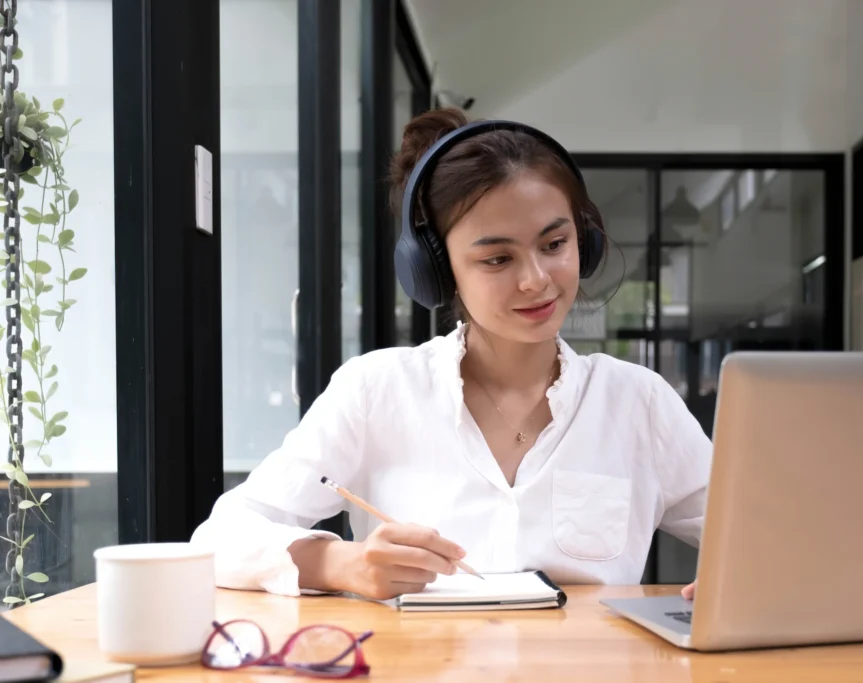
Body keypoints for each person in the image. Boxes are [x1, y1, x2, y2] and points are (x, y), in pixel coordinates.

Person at [191, 107, 710, 602]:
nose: (536, 280)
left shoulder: (638, 403)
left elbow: (768, 542)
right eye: (498, 258)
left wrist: (739, 579)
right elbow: (217, 541)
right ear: (437, 271)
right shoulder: (377, 390)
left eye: (554, 244)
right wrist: (341, 564)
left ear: (585, 240)